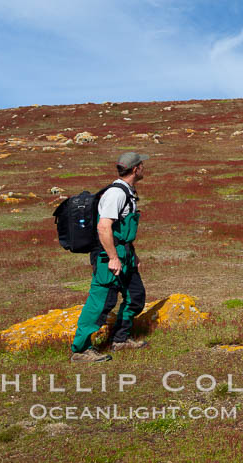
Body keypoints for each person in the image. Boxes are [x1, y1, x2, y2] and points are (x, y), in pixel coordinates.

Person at [70, 152, 150, 362]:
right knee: (101, 303)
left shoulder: (128, 192)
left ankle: (120, 339)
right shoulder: (116, 194)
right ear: (135, 169)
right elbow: (104, 227)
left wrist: (133, 254)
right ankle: (81, 350)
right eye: (142, 165)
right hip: (109, 256)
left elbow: (121, 229)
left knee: (136, 296)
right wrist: (113, 258)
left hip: (125, 254)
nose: (144, 168)